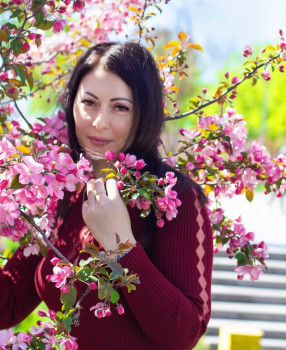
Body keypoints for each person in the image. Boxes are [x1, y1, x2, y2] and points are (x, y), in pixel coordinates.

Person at [0, 42, 213, 349]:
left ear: (144, 113)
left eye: (120, 107)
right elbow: (8, 304)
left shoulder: (173, 198)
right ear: (72, 104)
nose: (99, 122)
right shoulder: (58, 191)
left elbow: (184, 334)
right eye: (89, 103)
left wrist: (122, 245)